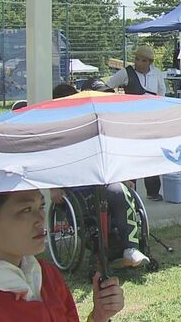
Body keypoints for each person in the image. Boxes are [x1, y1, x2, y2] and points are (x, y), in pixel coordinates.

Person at [0, 190, 124, 321]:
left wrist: (98, 316)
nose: (41, 219)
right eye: (25, 210)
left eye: (40, 206)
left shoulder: (46, 275)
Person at [50, 84, 151, 268]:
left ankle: (131, 249)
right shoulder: (54, 131)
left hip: (101, 181)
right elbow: (49, 163)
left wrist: (120, 176)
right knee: (95, 207)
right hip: (75, 191)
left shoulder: (89, 123)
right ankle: (102, 249)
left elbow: (105, 155)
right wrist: (53, 188)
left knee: (120, 191)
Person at [106, 45, 166, 201]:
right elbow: (107, 87)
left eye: (143, 60)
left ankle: (153, 191)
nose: (139, 63)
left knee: (151, 155)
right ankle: (131, 190)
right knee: (132, 155)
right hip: (131, 121)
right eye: (137, 59)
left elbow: (162, 95)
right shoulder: (126, 72)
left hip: (151, 121)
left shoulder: (157, 74)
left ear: (150, 62)